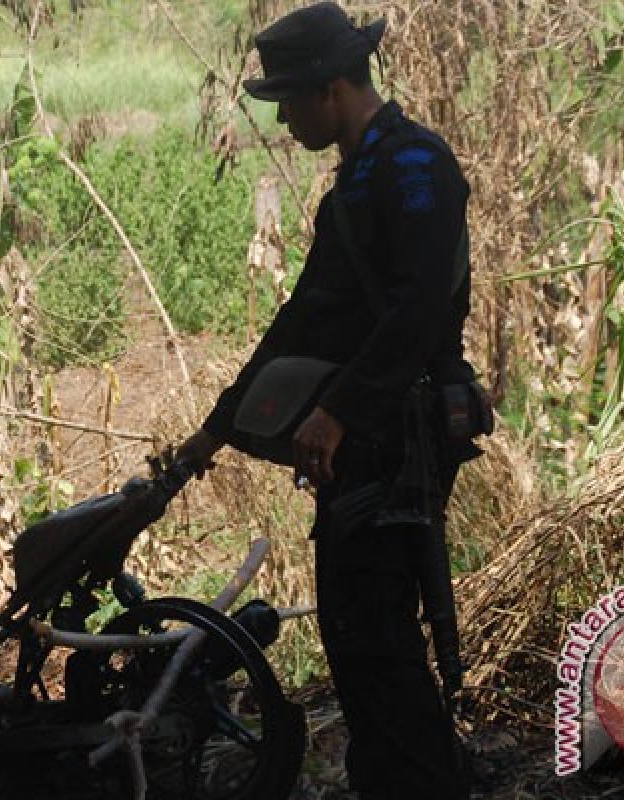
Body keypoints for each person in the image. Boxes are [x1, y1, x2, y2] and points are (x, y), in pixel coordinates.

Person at [176, 3, 477, 799]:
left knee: (377, 638)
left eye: (289, 102)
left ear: (333, 88)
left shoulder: (417, 167)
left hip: (397, 436)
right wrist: (216, 429)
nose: (284, 120)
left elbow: (417, 312)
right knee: (353, 636)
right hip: (361, 443)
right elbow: (299, 318)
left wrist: (339, 408)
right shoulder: (354, 184)